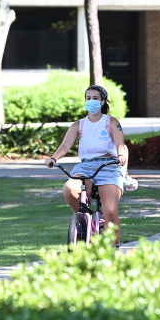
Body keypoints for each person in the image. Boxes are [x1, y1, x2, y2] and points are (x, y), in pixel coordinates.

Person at [44, 84, 128, 245]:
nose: (91, 101)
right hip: (85, 166)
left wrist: (121, 154)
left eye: (95, 98)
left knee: (110, 212)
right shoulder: (78, 125)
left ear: (103, 102)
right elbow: (65, 145)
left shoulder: (111, 122)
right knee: (69, 189)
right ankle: (84, 222)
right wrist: (53, 158)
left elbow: (120, 142)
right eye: (88, 98)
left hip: (108, 165)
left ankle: (113, 252)